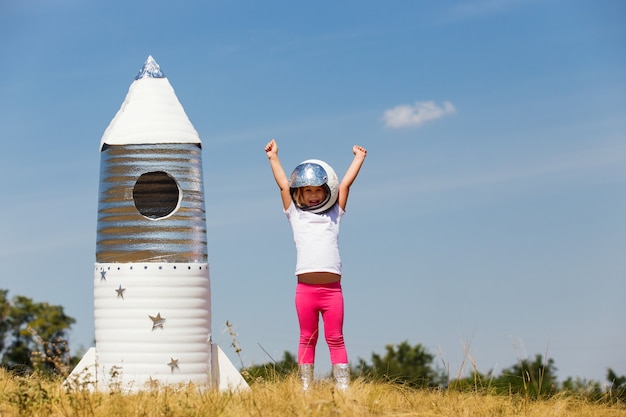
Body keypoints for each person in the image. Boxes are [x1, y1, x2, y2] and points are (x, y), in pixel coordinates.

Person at [264, 138, 367, 391]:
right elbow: (282, 186)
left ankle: (343, 391)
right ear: (300, 192)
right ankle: (305, 389)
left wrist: (358, 158)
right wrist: (273, 157)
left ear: (326, 191)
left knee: (336, 338)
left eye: (318, 190)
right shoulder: (295, 215)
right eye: (307, 191)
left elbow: (345, 185)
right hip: (305, 291)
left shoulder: (334, 215)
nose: (313, 195)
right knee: (307, 338)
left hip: (332, 292)